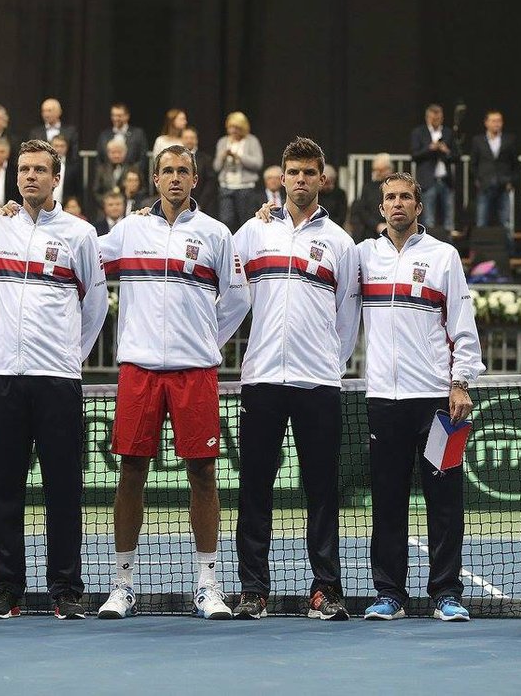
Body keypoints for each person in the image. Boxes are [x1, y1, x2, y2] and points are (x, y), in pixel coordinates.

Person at [96, 144, 250, 620]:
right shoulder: (128, 230)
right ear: (155, 179)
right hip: (138, 370)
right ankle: (122, 585)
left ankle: (208, 584)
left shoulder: (217, 234)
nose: (176, 178)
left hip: (195, 372)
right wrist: (18, 218)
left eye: (184, 171)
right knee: (131, 473)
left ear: (195, 179)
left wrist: (205, 339)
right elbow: (82, 264)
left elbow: (238, 298)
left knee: (203, 473)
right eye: (168, 171)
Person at [0, 139, 107, 620]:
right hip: (5, 378)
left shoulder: (80, 234)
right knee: (4, 488)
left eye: (40, 170)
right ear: (16, 177)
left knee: (64, 489)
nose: (30, 176)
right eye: (23, 169)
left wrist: (70, 357)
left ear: (57, 178)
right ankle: (5, 588)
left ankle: (66, 589)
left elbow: (95, 305)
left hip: (58, 380)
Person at [232, 137, 360, 620]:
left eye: (310, 172)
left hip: (319, 384)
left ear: (322, 179)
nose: (301, 180)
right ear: (280, 178)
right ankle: (253, 590)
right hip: (262, 378)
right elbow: (229, 293)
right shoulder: (252, 232)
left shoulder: (341, 244)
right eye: (294, 172)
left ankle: (325, 589)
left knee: (322, 489)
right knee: (255, 487)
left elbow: (347, 316)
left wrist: (328, 362)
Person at [357, 172, 483, 621]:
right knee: (387, 500)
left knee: (445, 499)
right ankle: (389, 594)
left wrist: (461, 383)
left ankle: (446, 593)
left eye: (405, 197)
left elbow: (463, 325)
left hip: (437, 403)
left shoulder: (443, 257)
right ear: (381, 207)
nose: (397, 204)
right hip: (383, 403)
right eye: (389, 198)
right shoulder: (362, 257)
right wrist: (269, 216)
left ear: (419, 206)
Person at [470, 110, 517, 249]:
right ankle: (479, 252)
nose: (497, 124)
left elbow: (515, 163)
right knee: (481, 221)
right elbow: (473, 163)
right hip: (485, 185)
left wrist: (511, 181)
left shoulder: (509, 140)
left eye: (499, 121)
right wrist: (478, 179)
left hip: (503, 185)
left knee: (505, 222)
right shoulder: (478, 140)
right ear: (486, 123)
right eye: (494, 121)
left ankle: (509, 253)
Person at [410, 104, 458, 237]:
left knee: (449, 218)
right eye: (433, 117)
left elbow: (456, 156)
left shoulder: (448, 133)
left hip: (445, 180)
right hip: (427, 181)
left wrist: (446, 151)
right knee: (428, 218)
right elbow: (414, 155)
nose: (436, 120)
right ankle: (427, 245)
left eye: (438, 117)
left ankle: (449, 245)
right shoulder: (419, 132)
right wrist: (430, 148)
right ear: (427, 117)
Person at [214, 111, 263, 231]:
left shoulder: (252, 141)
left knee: (246, 221)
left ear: (243, 127)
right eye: (230, 127)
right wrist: (222, 156)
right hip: (226, 187)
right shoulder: (222, 142)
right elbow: (216, 167)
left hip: (245, 188)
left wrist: (239, 157)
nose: (233, 130)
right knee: (226, 221)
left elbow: (258, 164)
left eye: (236, 127)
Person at [349, 153, 394, 243]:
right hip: (372, 231)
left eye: (381, 170)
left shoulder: (396, 186)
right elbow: (362, 210)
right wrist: (377, 225)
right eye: (375, 170)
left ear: (389, 169)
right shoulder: (368, 187)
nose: (377, 173)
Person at [96, 102, 148, 176]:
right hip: (108, 181)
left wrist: (131, 175)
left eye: (119, 116)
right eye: (113, 115)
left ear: (127, 116)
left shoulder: (138, 134)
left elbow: (142, 159)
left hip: (131, 180)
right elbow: (99, 161)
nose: (115, 118)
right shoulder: (104, 135)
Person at [182, 127, 217, 213]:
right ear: (181, 140)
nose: (189, 140)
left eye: (192, 138)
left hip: (202, 206)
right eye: (186, 138)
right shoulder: (175, 159)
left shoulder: (206, 159)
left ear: (196, 140)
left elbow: (210, 183)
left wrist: (200, 204)